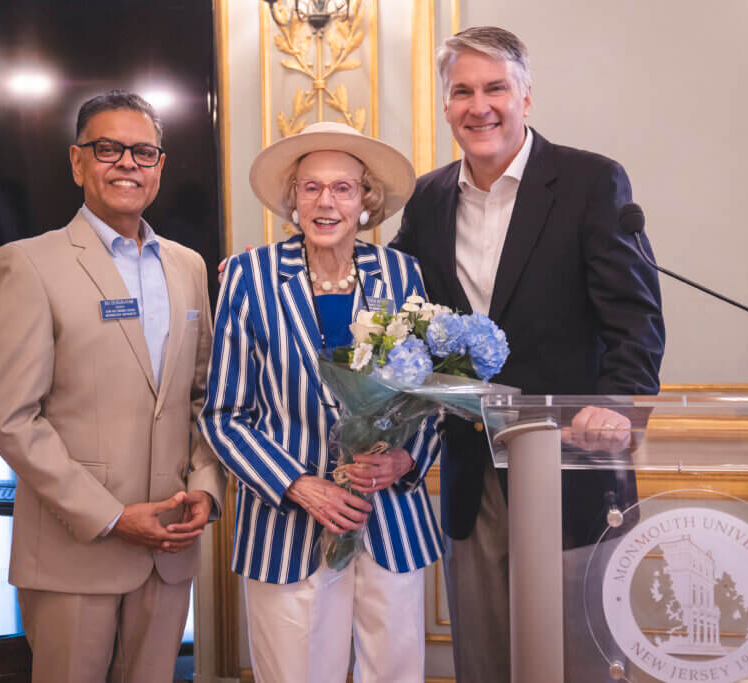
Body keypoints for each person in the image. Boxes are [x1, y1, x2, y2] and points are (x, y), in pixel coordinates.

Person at [389, 27, 665, 681]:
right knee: (484, 659)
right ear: (446, 103)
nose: (479, 106)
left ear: (526, 97)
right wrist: (286, 269)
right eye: (462, 91)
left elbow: (635, 317)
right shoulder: (429, 198)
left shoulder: (589, 181)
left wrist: (614, 405)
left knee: (578, 659)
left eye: (495, 88)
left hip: (573, 460)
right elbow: (389, 293)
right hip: (472, 469)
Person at [0, 90, 226, 683]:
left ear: (160, 166)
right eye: (108, 149)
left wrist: (206, 488)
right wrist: (111, 517)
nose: (127, 164)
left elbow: (202, 397)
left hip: (169, 546)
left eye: (143, 152)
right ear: (77, 161)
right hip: (75, 551)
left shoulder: (188, 265)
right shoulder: (29, 263)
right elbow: (9, 417)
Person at [200, 121, 442, 683]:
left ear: (365, 201)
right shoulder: (249, 276)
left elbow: (431, 396)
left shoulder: (402, 274)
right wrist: (300, 486)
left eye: (342, 188)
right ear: (293, 199)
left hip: (390, 522)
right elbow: (223, 416)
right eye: (311, 187)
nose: (325, 201)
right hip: (287, 529)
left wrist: (406, 460)